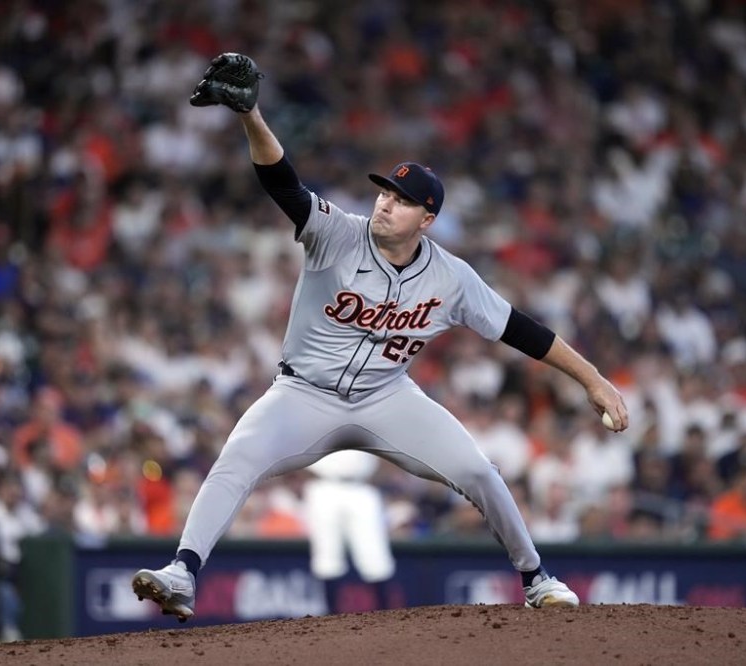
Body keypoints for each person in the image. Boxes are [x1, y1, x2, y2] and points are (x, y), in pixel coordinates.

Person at [132, 53, 629, 622]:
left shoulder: (451, 277)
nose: (384, 204)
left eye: (400, 200)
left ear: (427, 218)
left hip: (388, 397)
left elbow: (524, 331)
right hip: (303, 395)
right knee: (236, 458)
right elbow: (282, 182)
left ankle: (537, 578)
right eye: (384, 193)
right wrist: (252, 117)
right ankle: (183, 572)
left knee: (476, 471)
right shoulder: (337, 234)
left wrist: (593, 380)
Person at [303, 449, 396, 614]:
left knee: (375, 555)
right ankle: (330, 617)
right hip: (325, 486)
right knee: (327, 556)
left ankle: (385, 614)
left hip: (361, 486)